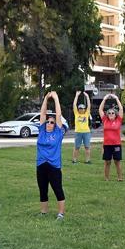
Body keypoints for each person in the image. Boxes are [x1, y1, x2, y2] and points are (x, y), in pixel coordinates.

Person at [36, 91, 67, 219]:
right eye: (48, 122)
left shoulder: (58, 133)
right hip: (41, 164)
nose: (49, 123)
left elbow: (58, 114)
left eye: (52, 122)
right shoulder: (42, 130)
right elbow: (42, 113)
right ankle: (44, 212)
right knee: (43, 190)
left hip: (54, 166)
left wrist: (55, 98)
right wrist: (45, 98)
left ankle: (61, 213)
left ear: (56, 125)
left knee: (57, 189)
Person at [99, 93, 124, 181]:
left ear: (115, 114)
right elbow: (100, 109)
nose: (111, 114)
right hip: (107, 145)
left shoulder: (119, 120)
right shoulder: (105, 120)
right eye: (109, 113)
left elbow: (121, 109)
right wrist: (104, 99)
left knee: (117, 161)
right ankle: (106, 178)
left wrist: (117, 98)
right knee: (107, 162)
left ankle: (120, 177)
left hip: (116, 145)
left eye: (112, 113)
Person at [72, 91, 93, 165]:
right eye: (80, 108)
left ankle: (87, 160)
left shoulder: (86, 113)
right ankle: (74, 160)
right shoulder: (76, 113)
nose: (82, 109)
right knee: (76, 147)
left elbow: (89, 105)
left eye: (83, 108)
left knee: (87, 147)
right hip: (78, 132)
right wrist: (76, 95)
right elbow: (74, 104)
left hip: (86, 132)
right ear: (78, 109)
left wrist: (87, 97)